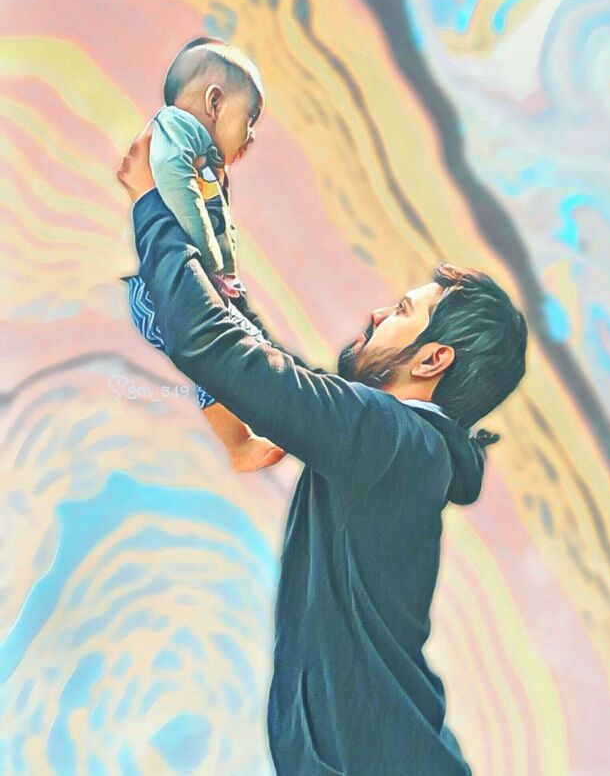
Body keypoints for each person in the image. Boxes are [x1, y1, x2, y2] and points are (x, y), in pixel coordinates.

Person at [117, 134, 528, 774]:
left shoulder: (395, 441)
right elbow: (261, 368)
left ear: (432, 359)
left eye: (401, 310)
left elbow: (219, 350)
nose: (377, 313)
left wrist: (151, 204)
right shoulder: (397, 444)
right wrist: (211, 251)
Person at [120, 35, 286, 473]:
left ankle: (256, 422)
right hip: (163, 289)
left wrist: (226, 272)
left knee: (236, 349)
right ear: (214, 102)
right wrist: (213, 266)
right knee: (218, 355)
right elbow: (180, 194)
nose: (252, 134)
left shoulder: (202, 157)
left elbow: (218, 221)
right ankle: (239, 442)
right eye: (250, 118)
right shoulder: (176, 130)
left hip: (179, 283)